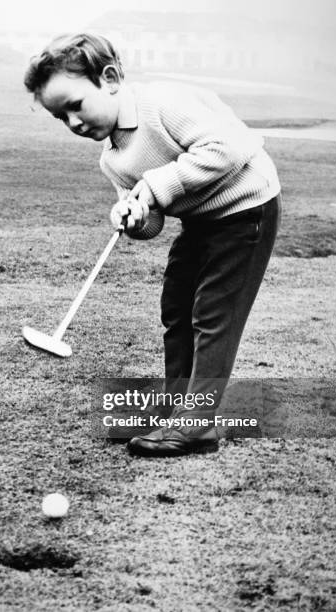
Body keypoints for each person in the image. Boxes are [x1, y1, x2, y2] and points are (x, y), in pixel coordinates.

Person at [24, 33, 281, 457]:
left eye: (75, 106)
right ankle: (177, 408)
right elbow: (153, 220)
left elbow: (228, 148)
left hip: (245, 209)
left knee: (212, 314)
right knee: (176, 307)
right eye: (60, 118)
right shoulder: (113, 158)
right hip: (202, 221)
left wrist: (156, 185)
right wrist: (135, 215)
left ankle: (197, 426)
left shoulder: (161, 105)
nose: (73, 123)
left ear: (108, 79)